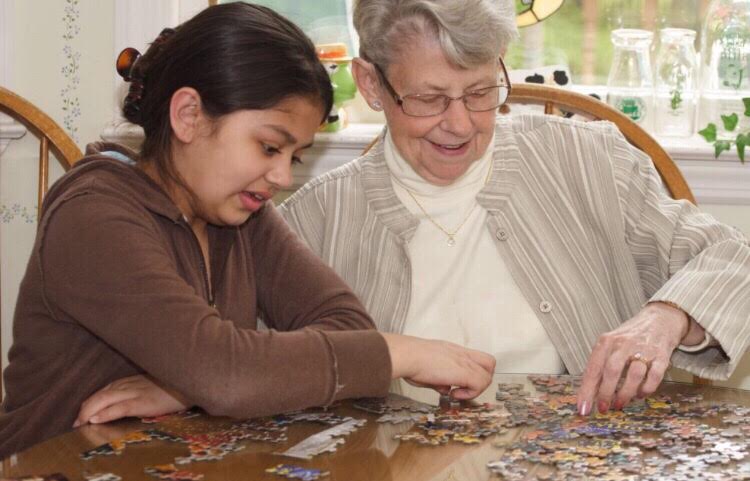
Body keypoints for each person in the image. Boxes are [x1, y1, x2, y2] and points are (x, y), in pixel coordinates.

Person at [0, 3, 495, 457]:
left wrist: (184, 384)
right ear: (189, 115)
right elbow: (225, 373)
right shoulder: (93, 219)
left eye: (294, 156)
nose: (282, 177)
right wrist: (402, 351)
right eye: (268, 147)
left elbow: (345, 324)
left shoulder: (240, 217)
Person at [278, 0, 750, 417]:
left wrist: (665, 318)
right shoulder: (314, 223)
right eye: (429, 99)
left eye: (481, 92)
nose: (460, 124)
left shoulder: (593, 161)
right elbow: (255, 367)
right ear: (370, 84)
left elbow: (735, 258)